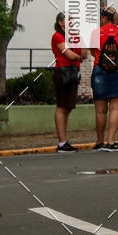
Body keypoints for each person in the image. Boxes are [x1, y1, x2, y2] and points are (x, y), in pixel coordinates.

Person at [90, 6, 118, 151]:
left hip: (99, 69)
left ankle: (100, 142)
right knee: (115, 108)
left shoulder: (96, 33)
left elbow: (93, 52)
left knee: (100, 110)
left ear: (104, 18)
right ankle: (111, 142)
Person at [51, 12, 83, 152]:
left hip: (73, 71)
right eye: (68, 19)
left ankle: (64, 141)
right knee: (62, 106)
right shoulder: (57, 36)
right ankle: (62, 142)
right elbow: (69, 54)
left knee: (69, 106)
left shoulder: (74, 36)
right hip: (63, 71)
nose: (71, 22)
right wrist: (77, 56)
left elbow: (84, 54)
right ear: (60, 22)